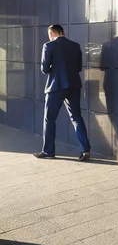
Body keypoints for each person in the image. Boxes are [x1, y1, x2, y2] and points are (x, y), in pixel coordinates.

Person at [33, 24, 91, 161]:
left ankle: (48, 152)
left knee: (49, 119)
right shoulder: (75, 45)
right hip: (73, 86)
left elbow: (45, 69)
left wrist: (54, 67)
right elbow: (78, 67)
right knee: (76, 117)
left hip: (55, 87)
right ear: (62, 32)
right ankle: (85, 149)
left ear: (51, 33)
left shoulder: (48, 46)